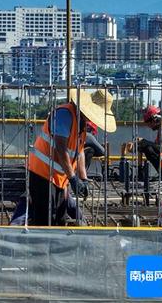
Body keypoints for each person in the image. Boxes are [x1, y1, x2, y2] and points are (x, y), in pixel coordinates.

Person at [27, 90, 117, 226]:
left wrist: (83, 178)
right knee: (45, 221)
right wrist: (73, 178)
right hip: (42, 174)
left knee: (59, 219)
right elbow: (60, 148)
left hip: (58, 178)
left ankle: (55, 246)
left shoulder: (81, 124)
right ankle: (41, 247)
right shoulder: (65, 114)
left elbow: (79, 152)